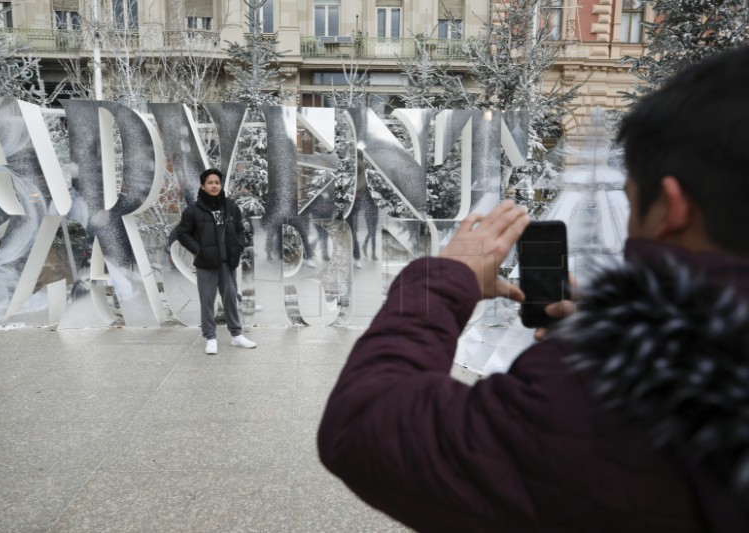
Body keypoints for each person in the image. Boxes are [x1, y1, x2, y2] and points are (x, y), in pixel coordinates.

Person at [318, 47, 749, 532]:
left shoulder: (618, 390)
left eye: (632, 206)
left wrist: (443, 280)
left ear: (672, 208)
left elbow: (363, 427)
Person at [174, 168, 257, 354]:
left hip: (227, 263)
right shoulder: (193, 210)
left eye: (217, 183)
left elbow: (240, 231)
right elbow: (182, 234)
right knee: (207, 300)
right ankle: (210, 337)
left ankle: (236, 335)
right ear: (203, 186)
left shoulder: (231, 207)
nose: (214, 186)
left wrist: (238, 247)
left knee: (230, 299)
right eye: (210, 183)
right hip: (206, 264)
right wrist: (198, 250)